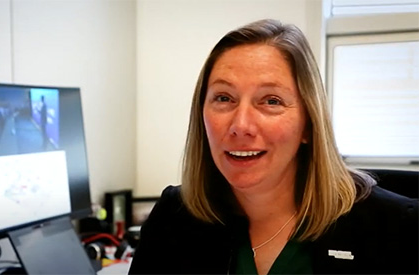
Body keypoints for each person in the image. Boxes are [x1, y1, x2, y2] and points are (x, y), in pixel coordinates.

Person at [129, 19, 418, 274]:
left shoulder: (396, 229)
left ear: (308, 124)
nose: (241, 125)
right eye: (224, 98)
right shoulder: (174, 218)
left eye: (271, 101)